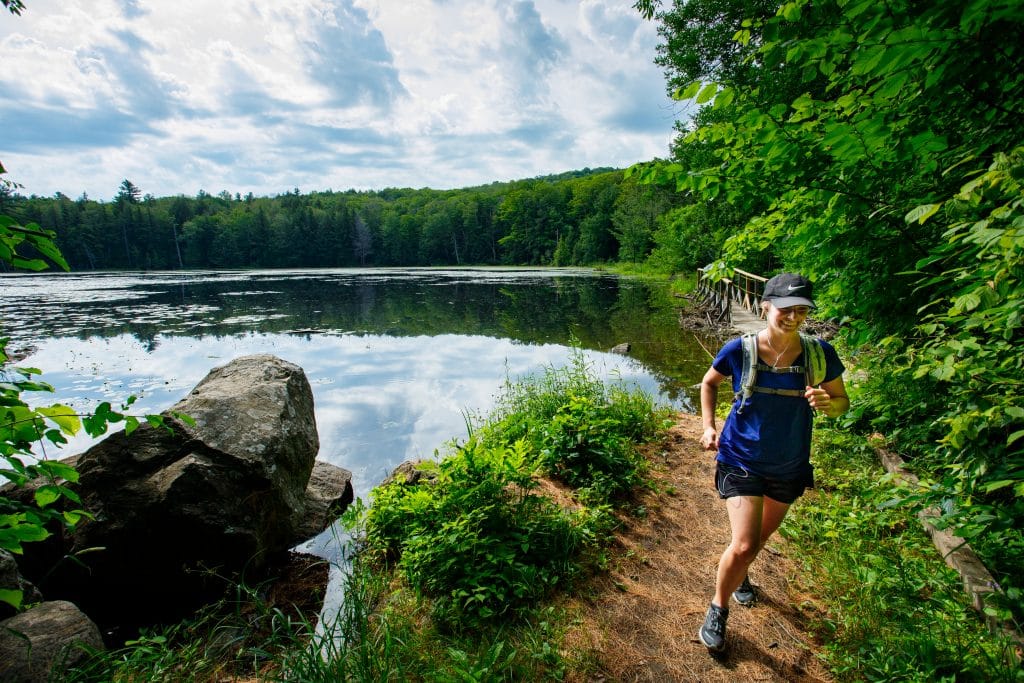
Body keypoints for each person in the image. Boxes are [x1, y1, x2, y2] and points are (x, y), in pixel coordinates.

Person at [697, 272, 849, 653]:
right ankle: (718, 608)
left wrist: (830, 405)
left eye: (802, 310)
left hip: (790, 464)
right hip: (741, 459)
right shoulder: (740, 350)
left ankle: (741, 575)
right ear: (765, 306)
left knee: (761, 539)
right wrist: (708, 427)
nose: (794, 317)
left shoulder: (820, 354)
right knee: (746, 543)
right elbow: (708, 383)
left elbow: (841, 401)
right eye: (786, 309)